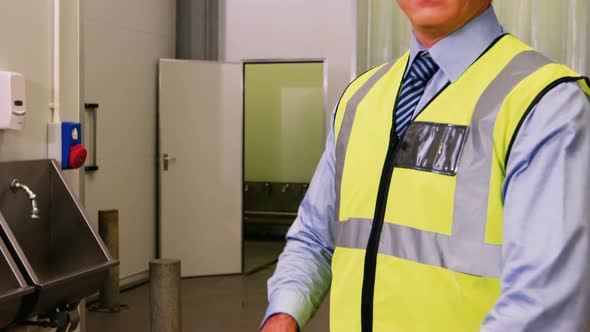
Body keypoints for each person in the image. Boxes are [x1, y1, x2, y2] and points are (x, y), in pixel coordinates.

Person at [261, 0, 590, 331]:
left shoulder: (547, 104)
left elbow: (544, 303)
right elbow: (315, 238)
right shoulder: (358, 100)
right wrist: (283, 313)